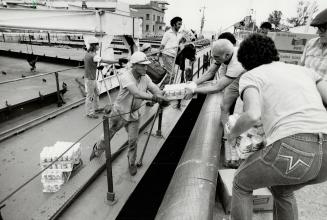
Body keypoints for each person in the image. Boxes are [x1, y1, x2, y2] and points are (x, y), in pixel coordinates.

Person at [227, 33, 327, 220]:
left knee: (241, 183)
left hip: (294, 149)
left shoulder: (251, 76)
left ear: (245, 62)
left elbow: (252, 115)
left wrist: (232, 135)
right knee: (282, 189)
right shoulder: (304, 71)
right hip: (325, 155)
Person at [89, 51, 169, 176]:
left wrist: (161, 95)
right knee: (107, 136)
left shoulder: (145, 78)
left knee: (133, 141)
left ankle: (131, 162)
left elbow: (154, 88)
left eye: (146, 65)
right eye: (143, 65)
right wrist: (154, 98)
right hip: (119, 113)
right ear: (135, 65)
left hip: (134, 115)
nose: (146, 68)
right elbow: (136, 93)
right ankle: (97, 149)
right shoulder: (126, 76)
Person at [84, 36, 117, 119]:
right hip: (90, 79)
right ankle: (89, 113)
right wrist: (117, 61)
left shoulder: (88, 54)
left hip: (91, 78)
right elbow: (105, 61)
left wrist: (96, 67)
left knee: (96, 94)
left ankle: (96, 108)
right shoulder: (93, 56)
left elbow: (89, 63)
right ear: (94, 46)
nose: (99, 46)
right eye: (97, 45)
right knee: (90, 96)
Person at [300, 8, 327, 78]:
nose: (318, 32)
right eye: (318, 28)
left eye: (322, 29)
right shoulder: (311, 43)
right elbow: (301, 68)